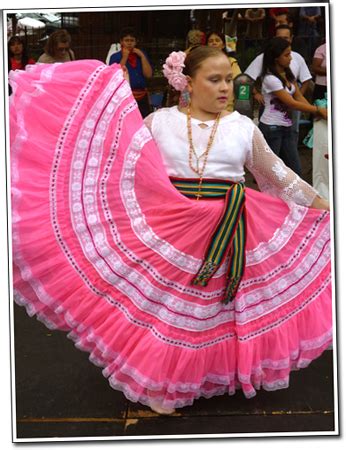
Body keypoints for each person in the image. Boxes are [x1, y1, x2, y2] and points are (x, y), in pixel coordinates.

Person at [10, 47, 332, 417]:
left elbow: (278, 178)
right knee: (167, 310)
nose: (225, 87)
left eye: (228, 78)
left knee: (215, 311)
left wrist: (323, 208)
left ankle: (204, 375)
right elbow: (124, 162)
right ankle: (160, 381)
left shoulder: (243, 127)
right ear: (188, 83)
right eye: (214, 80)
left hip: (228, 229)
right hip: (171, 228)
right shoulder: (159, 122)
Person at [258, 37, 327, 176]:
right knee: (271, 173)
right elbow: (291, 103)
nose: (291, 58)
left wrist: (317, 114)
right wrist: (318, 110)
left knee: (295, 171)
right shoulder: (270, 79)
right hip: (272, 129)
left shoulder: (288, 74)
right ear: (276, 58)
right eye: (287, 54)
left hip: (287, 127)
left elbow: (299, 97)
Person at [109, 27, 153, 118]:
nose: (129, 43)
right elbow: (115, 76)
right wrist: (125, 57)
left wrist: (142, 56)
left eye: (132, 40)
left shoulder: (141, 54)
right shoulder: (115, 57)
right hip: (125, 97)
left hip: (142, 96)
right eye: (126, 40)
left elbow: (148, 74)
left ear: (136, 42)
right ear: (121, 42)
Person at [206, 31, 241, 111]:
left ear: (223, 45)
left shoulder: (231, 62)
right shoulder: (202, 63)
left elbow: (238, 81)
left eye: (217, 40)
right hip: (206, 106)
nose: (214, 43)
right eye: (210, 41)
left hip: (225, 107)